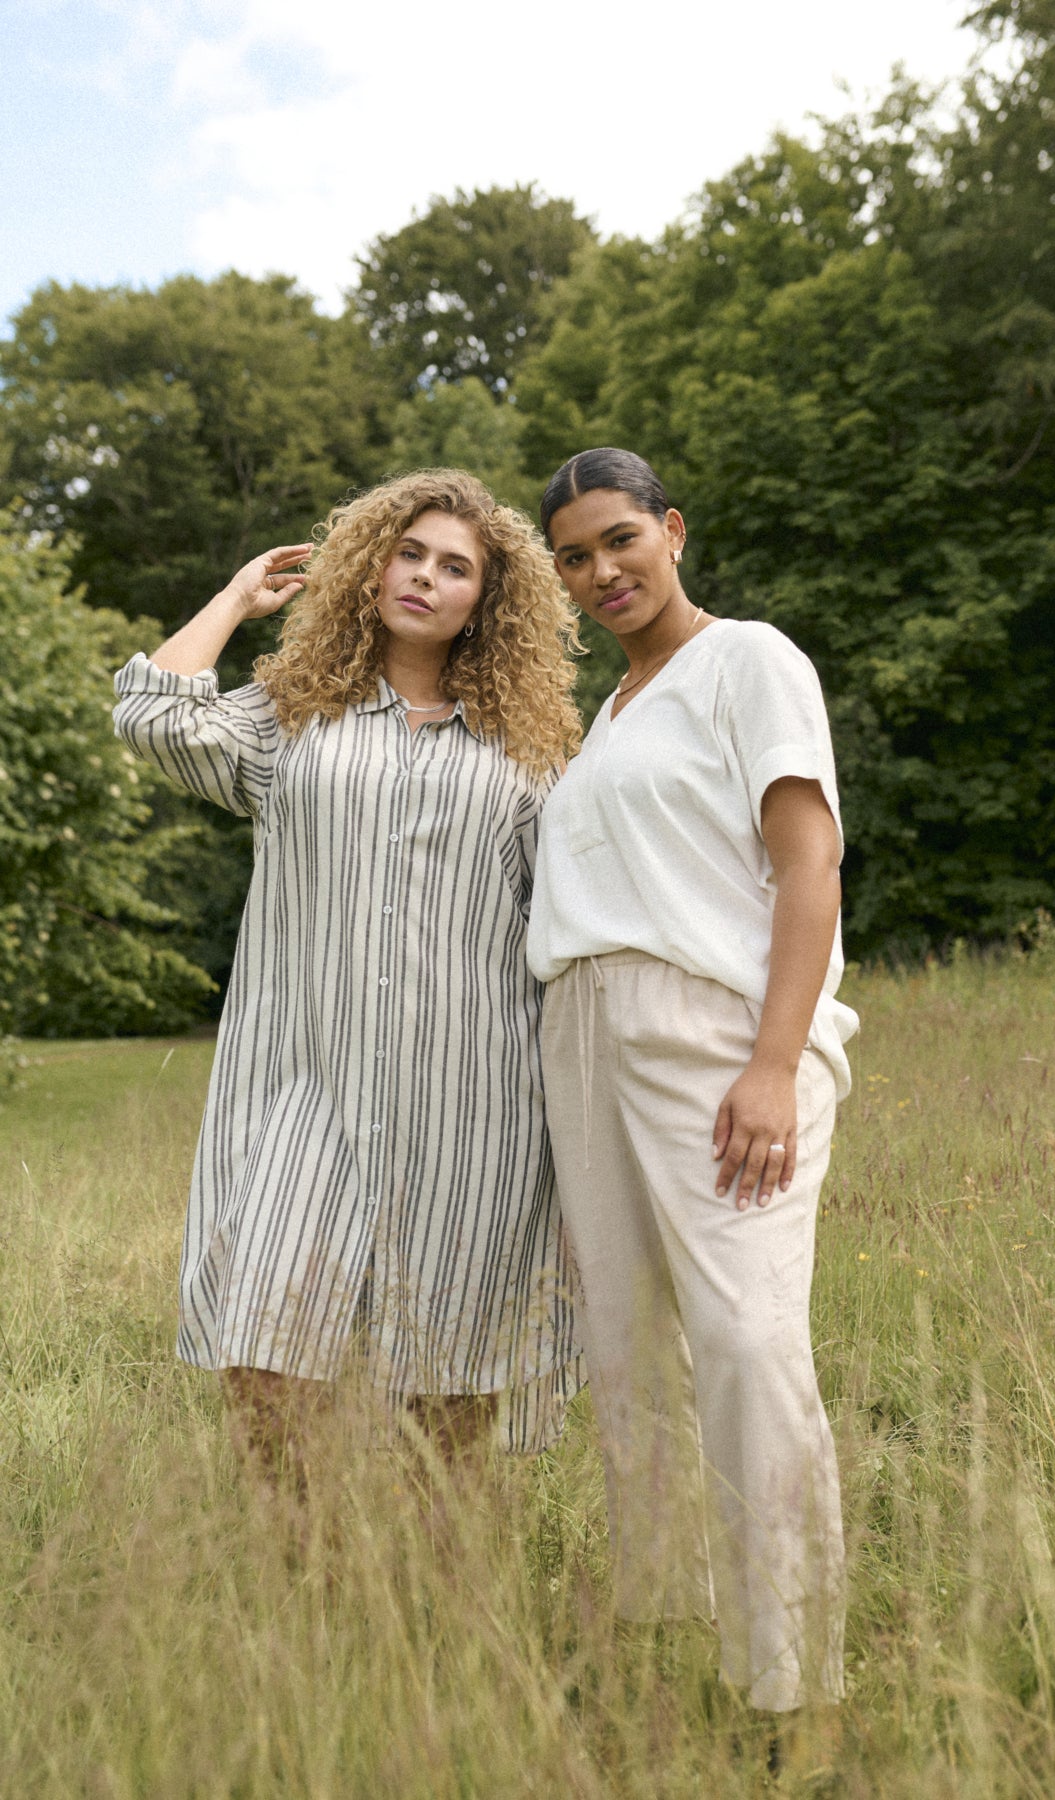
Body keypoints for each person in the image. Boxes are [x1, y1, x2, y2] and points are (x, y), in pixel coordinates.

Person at [113, 468, 582, 1488]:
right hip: (307, 1090)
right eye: (408, 553)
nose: (425, 577)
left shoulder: (528, 754)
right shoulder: (294, 715)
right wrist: (236, 598)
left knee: (448, 1397)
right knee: (265, 1356)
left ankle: (425, 1575)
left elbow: (568, 923)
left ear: (484, 601)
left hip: (474, 1108)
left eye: (453, 567)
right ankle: (307, 1561)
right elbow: (151, 713)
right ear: (371, 569)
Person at [527, 447, 859, 1722]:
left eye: (620, 538)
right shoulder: (608, 714)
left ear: (671, 530)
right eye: (574, 557)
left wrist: (774, 1063)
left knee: (746, 1341)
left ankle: (794, 1689)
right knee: (629, 1355)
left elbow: (808, 863)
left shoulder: (749, 660)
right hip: (582, 1034)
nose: (602, 570)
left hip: (714, 1036)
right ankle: (676, 1638)